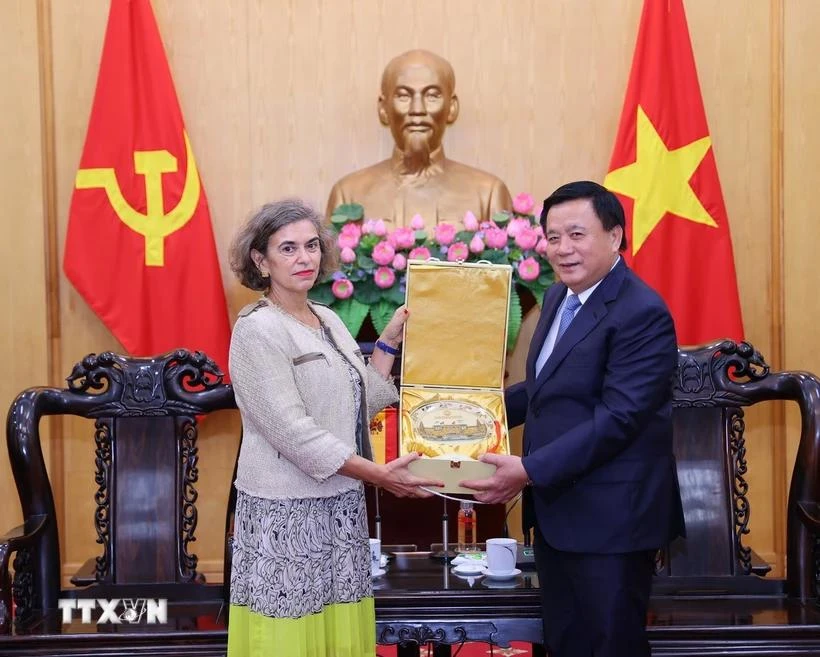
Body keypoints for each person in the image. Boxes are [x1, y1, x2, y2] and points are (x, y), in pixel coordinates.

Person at [461, 181, 685, 657]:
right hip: (560, 516)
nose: (563, 249)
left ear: (615, 236)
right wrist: (474, 412)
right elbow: (544, 392)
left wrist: (529, 470)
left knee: (609, 646)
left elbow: (619, 418)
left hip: (613, 523)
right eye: (554, 236)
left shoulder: (641, 312)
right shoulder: (559, 297)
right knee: (566, 644)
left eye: (577, 234)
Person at [226, 198, 441, 657]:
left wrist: (388, 343)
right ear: (260, 261)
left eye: (310, 246)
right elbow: (294, 433)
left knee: (336, 630)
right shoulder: (257, 329)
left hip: (339, 504)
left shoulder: (325, 318)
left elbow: (357, 400)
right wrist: (380, 475)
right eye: (287, 249)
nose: (304, 258)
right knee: (288, 639)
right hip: (285, 512)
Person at [325, 49, 512, 227]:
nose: (417, 109)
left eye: (432, 96)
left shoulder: (488, 194)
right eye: (403, 96)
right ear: (383, 108)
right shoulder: (349, 194)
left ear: (452, 107)